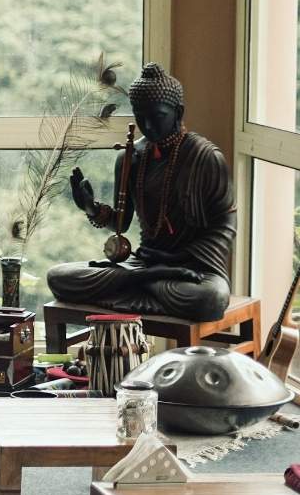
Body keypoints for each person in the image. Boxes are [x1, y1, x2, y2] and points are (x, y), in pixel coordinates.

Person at [46, 63, 236, 321]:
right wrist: (91, 207)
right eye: (140, 116)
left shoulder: (204, 157)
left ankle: (139, 282)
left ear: (177, 112)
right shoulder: (130, 157)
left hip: (191, 269)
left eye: (156, 116)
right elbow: (121, 224)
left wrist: (174, 258)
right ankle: (147, 278)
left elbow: (224, 226)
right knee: (58, 277)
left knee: (210, 299)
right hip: (143, 266)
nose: (147, 125)